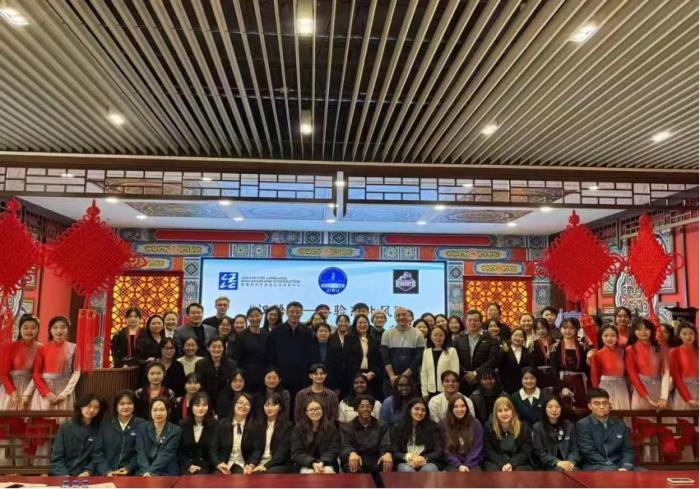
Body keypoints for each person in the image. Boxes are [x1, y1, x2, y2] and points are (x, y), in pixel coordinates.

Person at [31, 316, 81, 415]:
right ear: (50, 330)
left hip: (64, 389)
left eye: (63, 327)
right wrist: (47, 393)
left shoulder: (74, 347)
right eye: (55, 327)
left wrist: (64, 394)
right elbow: (36, 373)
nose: (59, 330)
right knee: (42, 420)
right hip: (45, 390)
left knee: (63, 420)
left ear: (67, 329)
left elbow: (77, 371)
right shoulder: (42, 348)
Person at [576, 388, 635, 471]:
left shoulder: (620, 424)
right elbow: (588, 452)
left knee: (643, 472)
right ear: (590, 406)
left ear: (609, 405)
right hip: (596, 464)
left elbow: (627, 450)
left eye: (605, 403)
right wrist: (611, 466)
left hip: (619, 464)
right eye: (597, 403)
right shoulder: (583, 424)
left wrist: (626, 466)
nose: (602, 407)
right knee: (611, 471)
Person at [267, 301, 315, 402]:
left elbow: (311, 354)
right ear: (286, 313)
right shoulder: (276, 331)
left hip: (302, 377)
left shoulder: (307, 331)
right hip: (281, 377)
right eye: (292, 312)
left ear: (301, 313)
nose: (294, 314)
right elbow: (271, 355)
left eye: (297, 312)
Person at [50, 393, 105, 476]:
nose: (91, 410)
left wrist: (88, 471)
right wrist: (64, 475)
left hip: (86, 474)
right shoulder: (66, 428)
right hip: (63, 473)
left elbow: (97, 456)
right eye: (88, 406)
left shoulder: (99, 429)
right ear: (81, 406)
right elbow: (57, 457)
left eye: (96, 407)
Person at [92, 390, 146, 476]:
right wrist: (106, 471)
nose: (126, 407)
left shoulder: (142, 424)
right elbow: (97, 452)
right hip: (105, 473)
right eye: (122, 404)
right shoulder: (106, 424)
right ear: (116, 406)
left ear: (134, 405)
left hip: (130, 473)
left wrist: (129, 468)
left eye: (129, 403)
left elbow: (142, 453)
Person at [340, 394, 393, 473]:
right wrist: (351, 452)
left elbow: (385, 444)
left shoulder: (382, 425)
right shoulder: (348, 427)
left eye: (368, 406)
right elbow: (346, 445)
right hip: (357, 458)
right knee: (351, 463)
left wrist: (387, 453)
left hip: (375, 459)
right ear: (356, 409)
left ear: (372, 408)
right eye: (362, 406)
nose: (365, 409)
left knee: (387, 462)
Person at [625, 318, 670, 409]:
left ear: (651, 330)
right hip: (640, 391)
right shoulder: (630, 349)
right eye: (639, 329)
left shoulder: (660, 348)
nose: (643, 332)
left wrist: (664, 396)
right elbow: (632, 375)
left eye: (646, 329)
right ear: (634, 331)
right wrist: (647, 397)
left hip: (660, 389)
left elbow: (666, 372)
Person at [380, 307, 426, 397]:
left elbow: (419, 357)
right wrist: (392, 376)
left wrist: (405, 376)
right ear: (394, 318)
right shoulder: (387, 333)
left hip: (411, 378)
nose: (401, 317)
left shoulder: (418, 334)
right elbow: (385, 357)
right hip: (391, 378)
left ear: (408, 317)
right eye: (398, 315)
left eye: (404, 315)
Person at [0, 314, 40, 411]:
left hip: (32, 389)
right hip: (10, 389)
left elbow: (38, 373)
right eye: (25, 327)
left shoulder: (41, 348)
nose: (29, 331)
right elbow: (3, 373)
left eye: (33, 328)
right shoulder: (9, 347)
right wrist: (14, 393)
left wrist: (26, 395)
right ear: (20, 328)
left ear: (38, 329)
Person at [390, 397, 443, 472]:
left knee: (430, 469)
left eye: (423, 410)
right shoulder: (398, 427)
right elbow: (394, 452)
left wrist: (423, 458)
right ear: (409, 410)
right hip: (405, 462)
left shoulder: (433, 427)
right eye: (416, 409)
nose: (420, 412)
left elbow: (438, 451)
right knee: (407, 470)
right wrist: (409, 457)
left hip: (426, 462)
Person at [454, 309, 499, 395]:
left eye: (475, 320)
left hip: (484, 379)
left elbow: (493, 359)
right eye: (469, 320)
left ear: (481, 322)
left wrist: (476, 373)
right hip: (463, 378)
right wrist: (465, 373)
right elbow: (455, 358)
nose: (472, 323)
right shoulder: (458, 338)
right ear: (465, 322)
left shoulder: (490, 338)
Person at [483, 396, 533, 471]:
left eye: (506, 410)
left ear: (512, 411)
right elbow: (488, 450)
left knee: (521, 471)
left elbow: (526, 451)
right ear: (495, 413)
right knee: (493, 470)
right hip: (496, 461)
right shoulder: (489, 427)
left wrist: (511, 464)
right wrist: (502, 464)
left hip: (519, 462)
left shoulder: (523, 426)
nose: (504, 414)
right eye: (500, 411)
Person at [215, 392, 260, 474]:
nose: (243, 406)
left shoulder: (255, 426)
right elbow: (213, 447)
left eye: (247, 404)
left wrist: (251, 464)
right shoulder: (221, 424)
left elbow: (257, 450)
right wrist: (218, 463)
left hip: (243, 465)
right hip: (224, 464)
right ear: (234, 404)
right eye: (240, 403)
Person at [291, 398, 340, 474]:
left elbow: (333, 450)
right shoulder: (298, 429)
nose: (315, 412)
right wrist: (312, 463)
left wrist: (322, 463)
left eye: (318, 409)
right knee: (310, 473)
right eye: (311, 410)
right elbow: (297, 453)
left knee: (327, 471)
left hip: (327, 463)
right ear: (306, 412)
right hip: (305, 464)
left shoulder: (331, 428)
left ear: (323, 410)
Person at [135, 397, 182, 476]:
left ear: (168, 411)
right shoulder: (141, 428)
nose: (158, 413)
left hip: (166, 470)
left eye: (162, 410)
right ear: (150, 411)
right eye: (155, 410)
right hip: (144, 470)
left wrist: (150, 472)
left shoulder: (176, 431)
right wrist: (146, 471)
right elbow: (141, 453)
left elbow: (166, 454)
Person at [532, 396, 580, 472]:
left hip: (568, 464)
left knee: (576, 472)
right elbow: (540, 453)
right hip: (549, 465)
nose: (554, 410)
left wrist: (570, 462)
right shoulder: (538, 427)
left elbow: (575, 449)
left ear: (561, 408)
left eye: (557, 407)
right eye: (550, 407)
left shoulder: (569, 425)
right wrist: (557, 462)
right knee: (559, 470)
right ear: (544, 409)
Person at [551, 318, 589, 409]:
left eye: (571, 328)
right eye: (565, 328)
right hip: (563, 381)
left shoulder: (582, 346)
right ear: (560, 329)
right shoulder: (555, 347)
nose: (568, 331)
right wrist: (561, 387)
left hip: (580, 382)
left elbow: (586, 368)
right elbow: (554, 369)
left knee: (582, 408)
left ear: (576, 329)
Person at [251, 392, 294, 473]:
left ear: (280, 407)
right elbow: (256, 449)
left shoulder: (287, 426)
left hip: (278, 464)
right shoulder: (259, 425)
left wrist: (265, 466)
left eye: (273, 405)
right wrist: (251, 464)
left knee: (267, 473)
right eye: (267, 405)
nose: (269, 408)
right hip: (260, 462)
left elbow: (282, 453)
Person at [590, 325, 630, 410]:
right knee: (606, 410)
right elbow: (594, 375)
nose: (609, 338)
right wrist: (597, 392)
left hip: (622, 386)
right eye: (606, 335)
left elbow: (627, 373)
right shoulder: (597, 354)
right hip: (605, 387)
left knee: (624, 410)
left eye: (613, 335)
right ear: (601, 337)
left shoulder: (623, 352)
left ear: (617, 337)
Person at [231, 307, 269, 393]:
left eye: (257, 315)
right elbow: (237, 357)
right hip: (245, 376)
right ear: (248, 318)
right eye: (252, 316)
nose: (255, 318)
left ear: (261, 316)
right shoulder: (241, 336)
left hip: (263, 376)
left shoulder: (266, 334)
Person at [443, 395, 484, 472]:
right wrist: (459, 465)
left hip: (473, 462)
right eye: (456, 407)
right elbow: (445, 450)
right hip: (453, 464)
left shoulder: (476, 423)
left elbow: (477, 448)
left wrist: (467, 464)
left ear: (467, 408)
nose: (460, 409)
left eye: (462, 406)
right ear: (451, 409)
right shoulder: (444, 424)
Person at [180, 392, 217, 475]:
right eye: (197, 405)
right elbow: (180, 452)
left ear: (209, 407)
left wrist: (202, 467)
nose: (201, 408)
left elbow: (215, 452)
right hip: (187, 466)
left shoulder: (215, 426)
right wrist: (189, 465)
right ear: (191, 407)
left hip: (207, 467)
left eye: (204, 405)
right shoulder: (183, 425)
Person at [195, 337, 237, 408]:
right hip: (206, 398)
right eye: (213, 347)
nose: (216, 349)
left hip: (226, 399)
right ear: (208, 348)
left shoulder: (231, 364)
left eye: (219, 347)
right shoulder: (200, 364)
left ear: (224, 348)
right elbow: (200, 384)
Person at [349, 314, 382, 401]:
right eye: (360, 323)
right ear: (355, 325)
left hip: (370, 376)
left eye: (365, 322)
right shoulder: (349, 339)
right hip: (354, 375)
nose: (363, 325)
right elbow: (347, 359)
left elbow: (377, 360)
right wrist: (359, 374)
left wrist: (373, 372)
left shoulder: (373, 340)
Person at [670, 323, 699, 409]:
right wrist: (688, 398)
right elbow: (676, 377)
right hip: (683, 392)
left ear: (695, 335)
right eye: (684, 334)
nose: (688, 337)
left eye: (691, 333)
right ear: (679, 335)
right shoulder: (675, 351)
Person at [499, 327, 535, 394]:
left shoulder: (527, 352)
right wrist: (503, 352)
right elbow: (498, 364)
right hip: (505, 386)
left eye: (521, 336)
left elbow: (531, 368)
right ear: (511, 336)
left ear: (524, 339)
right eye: (515, 335)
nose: (518, 338)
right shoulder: (504, 349)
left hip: (523, 386)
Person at [326, 314, 353, 397]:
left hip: (350, 374)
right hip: (334, 374)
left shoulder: (353, 338)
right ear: (336, 323)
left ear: (349, 323)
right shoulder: (330, 337)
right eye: (340, 321)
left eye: (345, 321)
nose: (343, 323)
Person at [531, 318, 556, 390]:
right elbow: (531, 363)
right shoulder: (533, 344)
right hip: (539, 375)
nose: (541, 331)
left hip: (554, 374)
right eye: (538, 329)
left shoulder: (555, 342)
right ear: (535, 331)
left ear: (547, 328)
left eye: (543, 328)